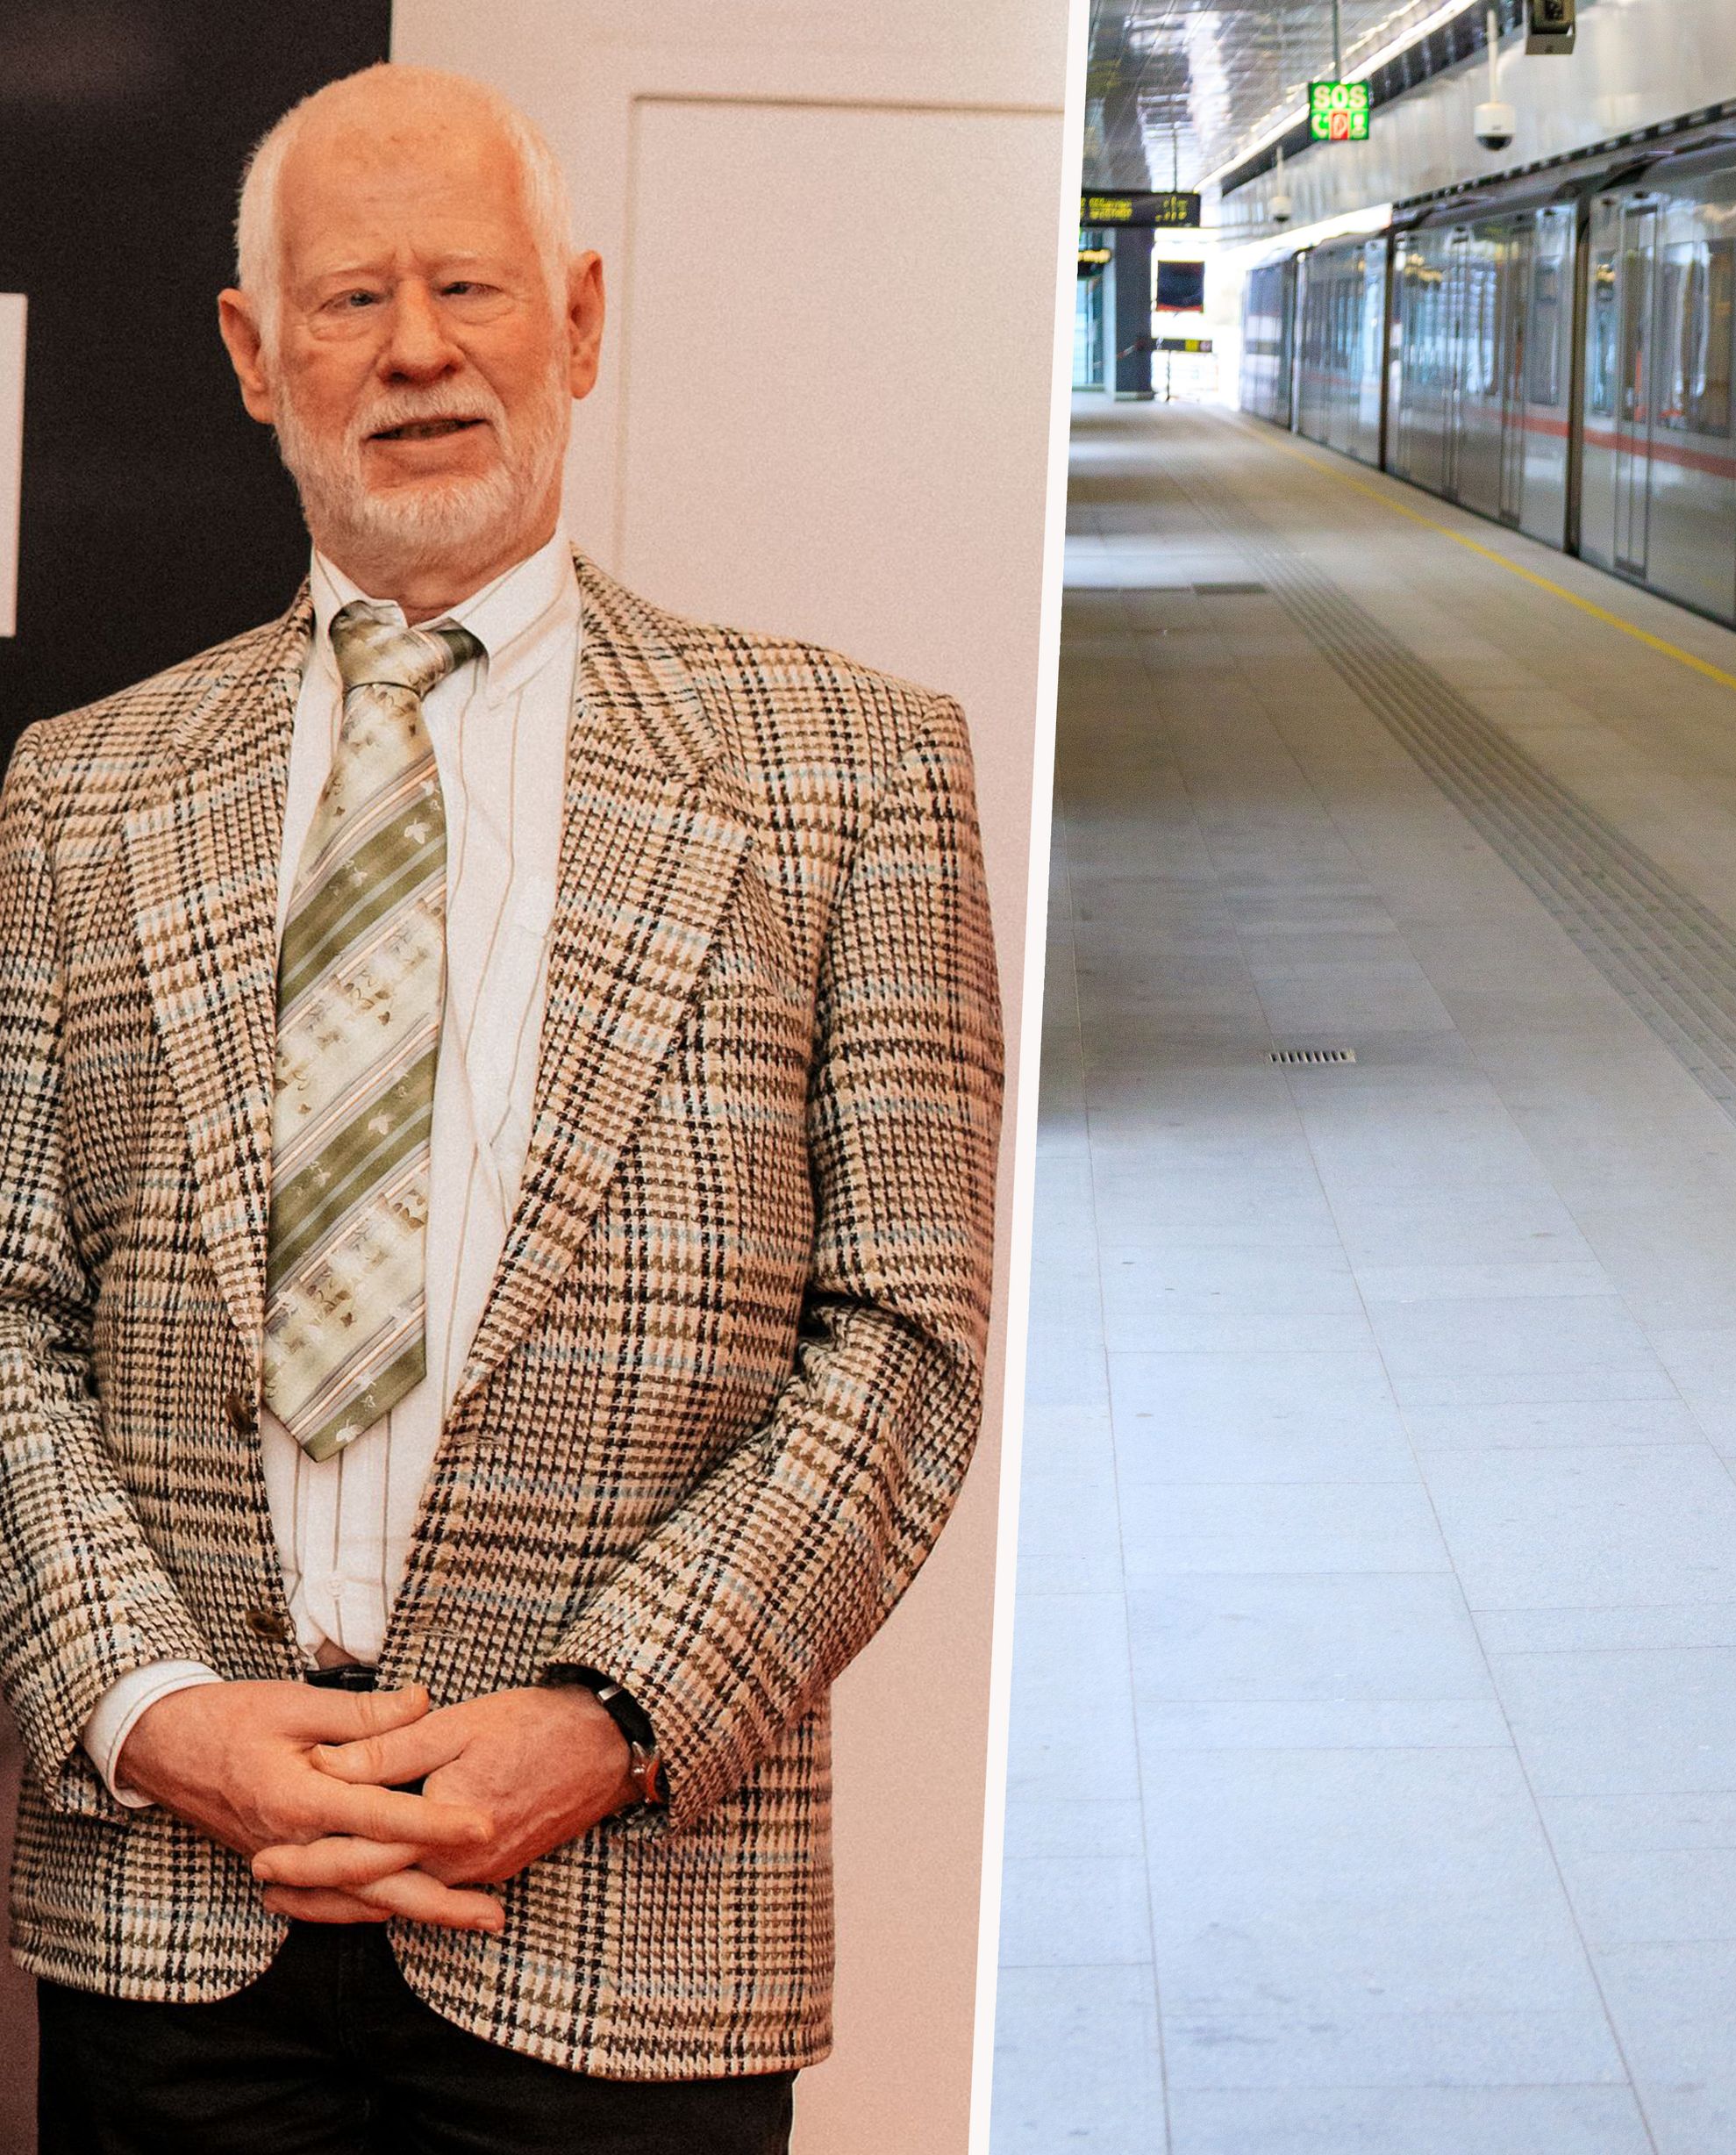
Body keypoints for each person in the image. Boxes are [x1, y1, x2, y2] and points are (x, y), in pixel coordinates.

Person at [0, 64, 1002, 2148]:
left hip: (627, 1915)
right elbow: (7, 1317)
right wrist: (153, 1710)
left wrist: (612, 1718)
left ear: (583, 320)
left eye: (471, 285)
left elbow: (905, 1341)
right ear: (251, 354)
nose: (422, 349)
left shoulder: (852, 770)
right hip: (183, 1922)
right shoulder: (80, 793)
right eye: (351, 299)